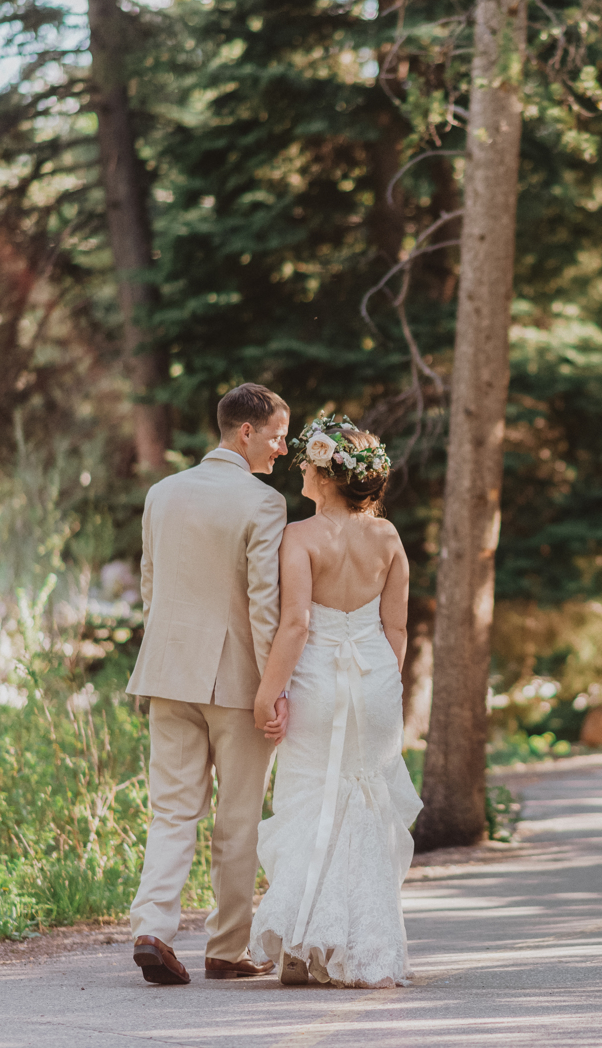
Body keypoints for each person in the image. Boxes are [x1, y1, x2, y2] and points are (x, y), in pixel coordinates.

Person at [125, 383, 290, 986]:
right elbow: (264, 605)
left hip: (166, 673)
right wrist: (273, 686)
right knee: (237, 818)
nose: (282, 449)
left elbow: (150, 585)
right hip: (236, 679)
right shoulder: (263, 503)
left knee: (171, 811)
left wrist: (167, 650)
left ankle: (153, 928)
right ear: (245, 433)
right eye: (276, 437)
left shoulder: (162, 493)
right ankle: (226, 948)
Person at [249, 413, 421, 988]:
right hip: (375, 681)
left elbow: (295, 624)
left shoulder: (299, 537)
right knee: (366, 805)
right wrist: (383, 685)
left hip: (318, 680)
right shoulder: (388, 537)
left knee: (308, 799)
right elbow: (396, 629)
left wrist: (268, 693)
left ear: (325, 476)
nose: (299, 465)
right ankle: (364, 945)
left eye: (307, 460)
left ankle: (301, 945)